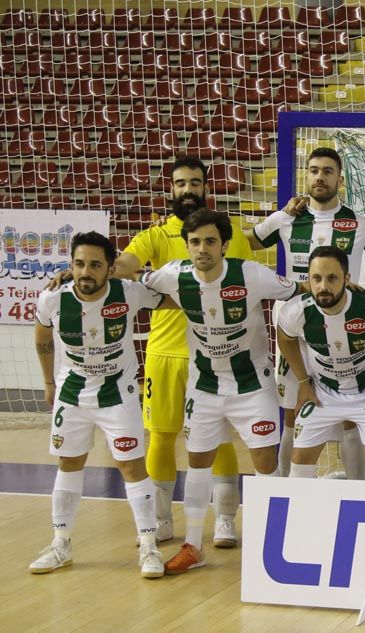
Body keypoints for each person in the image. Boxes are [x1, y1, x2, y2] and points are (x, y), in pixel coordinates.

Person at [142, 209, 302, 574]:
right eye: (195, 242)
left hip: (252, 389)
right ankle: (193, 546)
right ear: (186, 246)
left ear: (225, 245)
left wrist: (343, 287)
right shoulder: (172, 276)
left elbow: (300, 290)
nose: (202, 249)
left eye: (210, 242)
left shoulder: (253, 274)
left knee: (265, 464)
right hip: (204, 390)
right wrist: (71, 278)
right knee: (197, 466)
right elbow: (127, 284)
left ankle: (275, 543)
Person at [119, 155, 255, 548]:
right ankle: (161, 520)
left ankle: (225, 519)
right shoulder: (156, 236)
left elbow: (245, 284)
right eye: (181, 183)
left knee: (221, 437)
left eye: (195, 183)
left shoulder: (230, 235)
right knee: (161, 437)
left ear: (206, 187)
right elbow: (126, 265)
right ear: (172, 189)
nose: (188, 190)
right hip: (164, 353)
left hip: (215, 354)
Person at [31, 232, 171, 578]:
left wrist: (137, 274)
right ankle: (61, 543)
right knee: (69, 462)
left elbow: (173, 298)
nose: (85, 272)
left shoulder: (130, 293)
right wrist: (49, 382)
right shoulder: (52, 299)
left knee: (131, 466)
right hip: (72, 392)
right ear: (70, 265)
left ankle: (149, 546)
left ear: (110, 268)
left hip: (117, 393)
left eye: (95, 265)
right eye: (79, 264)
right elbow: (42, 337)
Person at [250, 147, 365, 478]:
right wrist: (277, 215)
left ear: (340, 179)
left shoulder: (359, 224)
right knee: (291, 413)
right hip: (293, 328)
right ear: (306, 177)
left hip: (342, 326)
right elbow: (248, 244)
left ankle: (356, 487)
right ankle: (289, 488)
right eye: (313, 170)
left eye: (328, 171)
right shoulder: (287, 219)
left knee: (349, 414)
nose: (320, 177)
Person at [276, 246, 365, 480]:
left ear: (347, 279)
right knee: (299, 465)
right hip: (323, 392)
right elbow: (284, 337)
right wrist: (303, 382)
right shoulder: (296, 311)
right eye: (316, 279)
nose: (323, 286)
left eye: (332, 278)